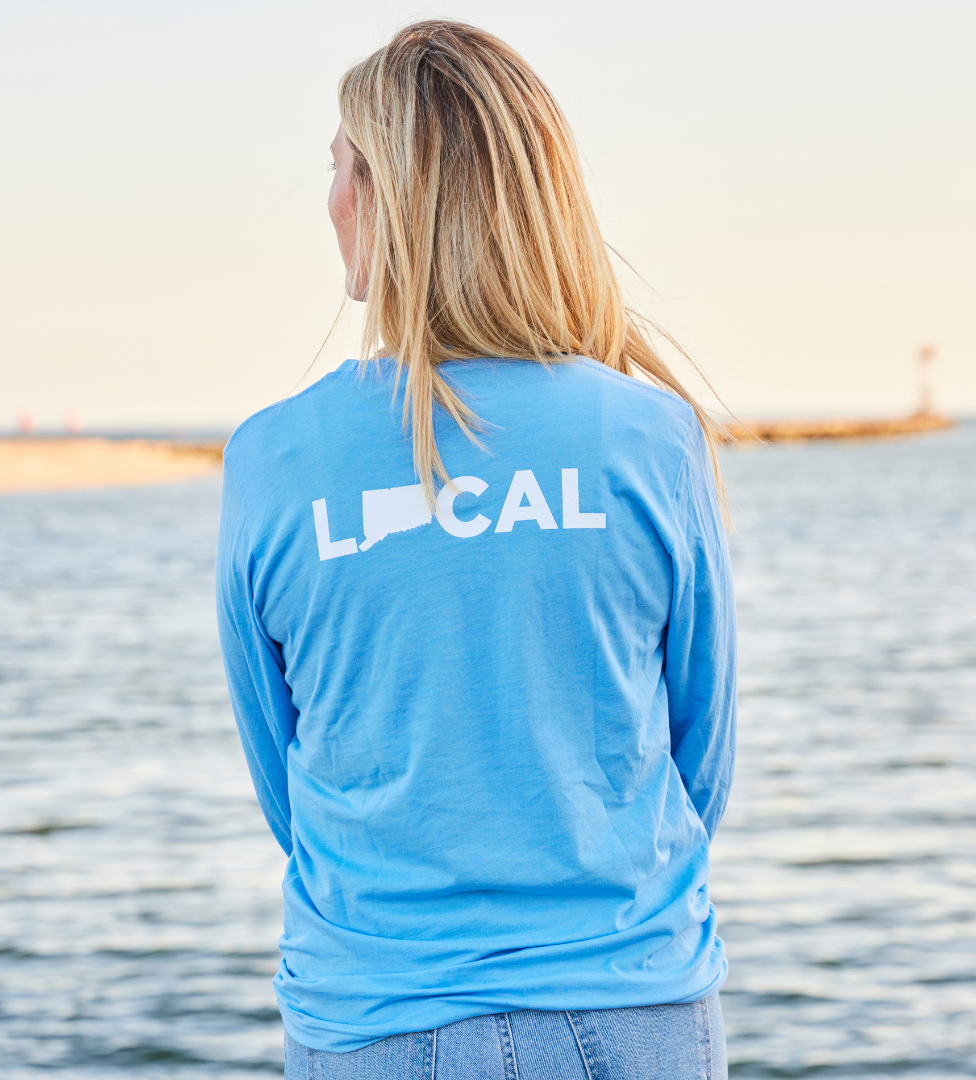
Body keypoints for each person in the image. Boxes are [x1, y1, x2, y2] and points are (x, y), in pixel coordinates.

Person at [217, 19, 736, 1080]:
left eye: (339, 165)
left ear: (385, 194)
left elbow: (285, 776)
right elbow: (700, 755)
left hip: (375, 1017)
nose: (330, 198)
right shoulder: (648, 435)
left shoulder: (273, 458)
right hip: (627, 1006)